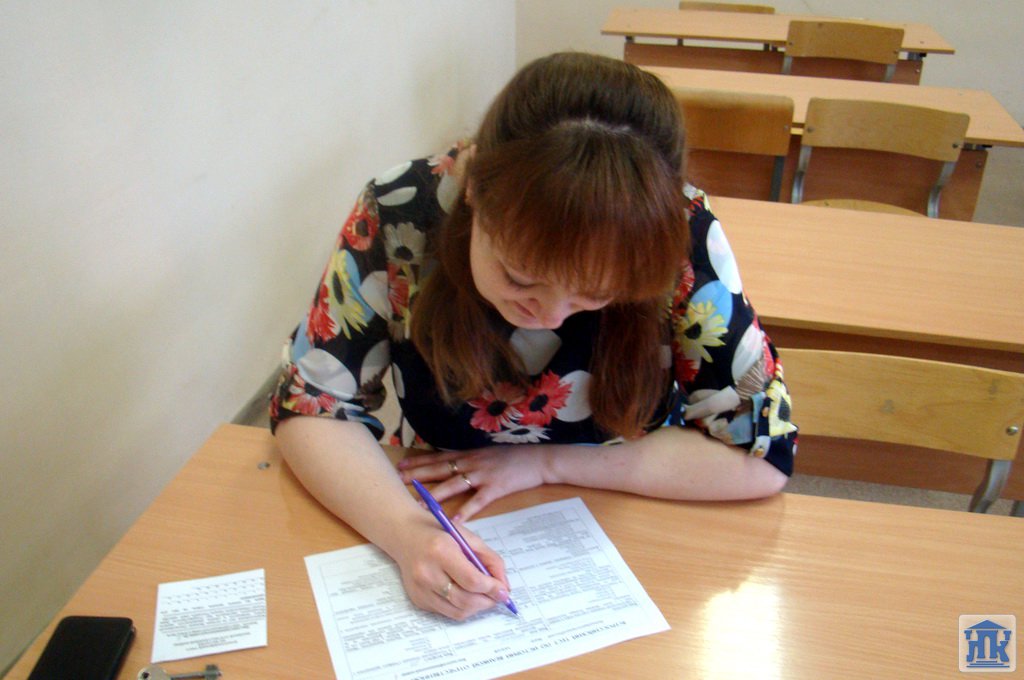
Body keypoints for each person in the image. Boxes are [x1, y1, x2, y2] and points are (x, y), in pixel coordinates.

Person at [271, 52, 796, 622]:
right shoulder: (402, 209)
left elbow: (759, 455)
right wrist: (407, 534)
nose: (549, 315)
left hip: (625, 500)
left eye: (593, 294)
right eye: (520, 278)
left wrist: (548, 464)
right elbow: (313, 407)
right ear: (474, 189)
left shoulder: (678, 231)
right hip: (448, 498)